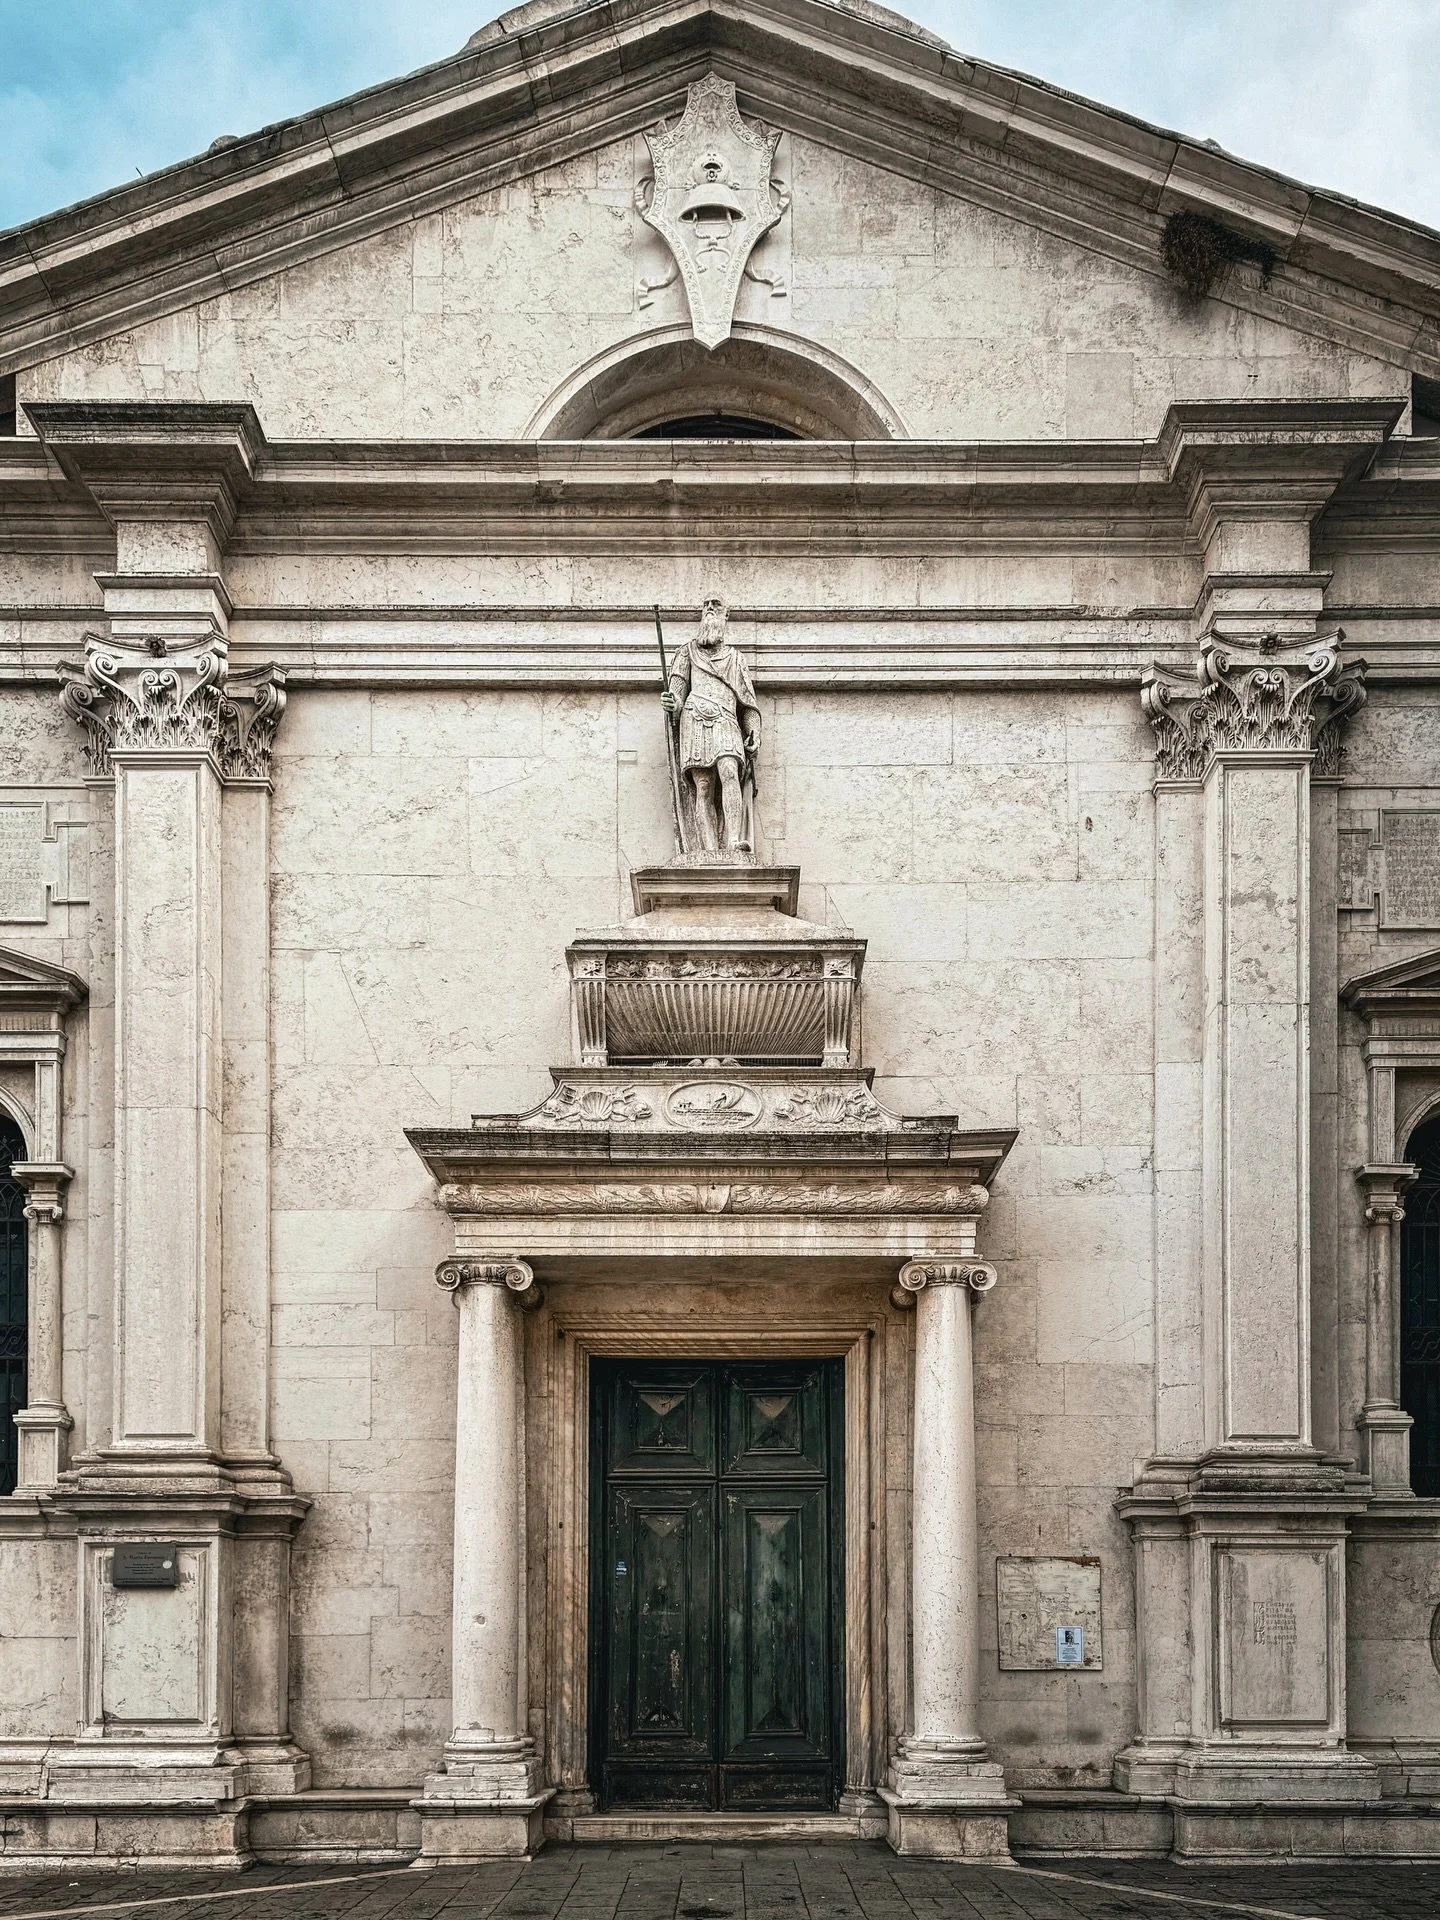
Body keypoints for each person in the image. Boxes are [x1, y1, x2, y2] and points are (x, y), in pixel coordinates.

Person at [660, 596, 761, 854]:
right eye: (706, 606)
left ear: (725, 616)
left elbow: (748, 703)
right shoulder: (687, 652)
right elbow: (677, 691)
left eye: (715, 607)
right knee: (703, 787)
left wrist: (753, 731)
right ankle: (709, 849)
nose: (709, 610)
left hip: (727, 719)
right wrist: (672, 704)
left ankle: (733, 842)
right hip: (694, 718)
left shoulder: (736, 659)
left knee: (729, 771)